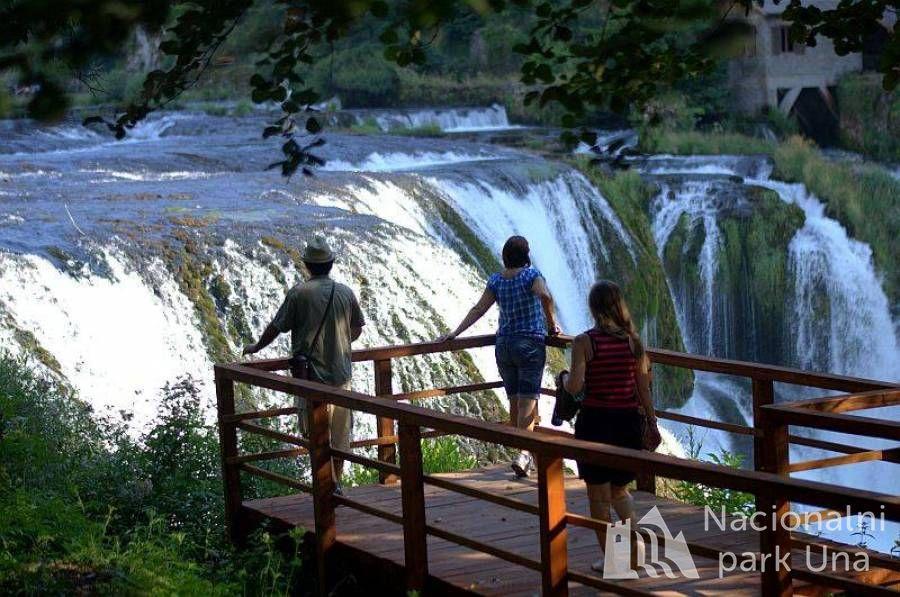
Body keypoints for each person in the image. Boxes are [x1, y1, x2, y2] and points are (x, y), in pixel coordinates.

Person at [243, 235, 365, 493]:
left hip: (309, 379)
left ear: (308, 266)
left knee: (316, 435)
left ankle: (322, 485)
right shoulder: (345, 292)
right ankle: (336, 483)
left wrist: (256, 348)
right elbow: (357, 328)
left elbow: (277, 327)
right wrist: (341, 343)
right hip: (341, 376)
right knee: (341, 437)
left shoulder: (299, 293)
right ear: (331, 264)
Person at [438, 235, 560, 478]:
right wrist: (552, 325)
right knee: (528, 401)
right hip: (529, 345)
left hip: (504, 346)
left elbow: (479, 309)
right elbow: (544, 295)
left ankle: (526, 458)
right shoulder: (531, 275)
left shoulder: (496, 280)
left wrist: (455, 333)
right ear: (526, 255)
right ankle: (524, 453)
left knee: (515, 402)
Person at [562, 280, 657, 572]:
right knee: (619, 491)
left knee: (598, 499)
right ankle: (636, 553)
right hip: (627, 424)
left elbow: (575, 386)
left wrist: (564, 378)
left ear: (593, 308)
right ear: (619, 306)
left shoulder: (584, 342)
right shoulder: (634, 342)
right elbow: (643, 389)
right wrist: (652, 423)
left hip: (596, 425)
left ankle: (614, 562)